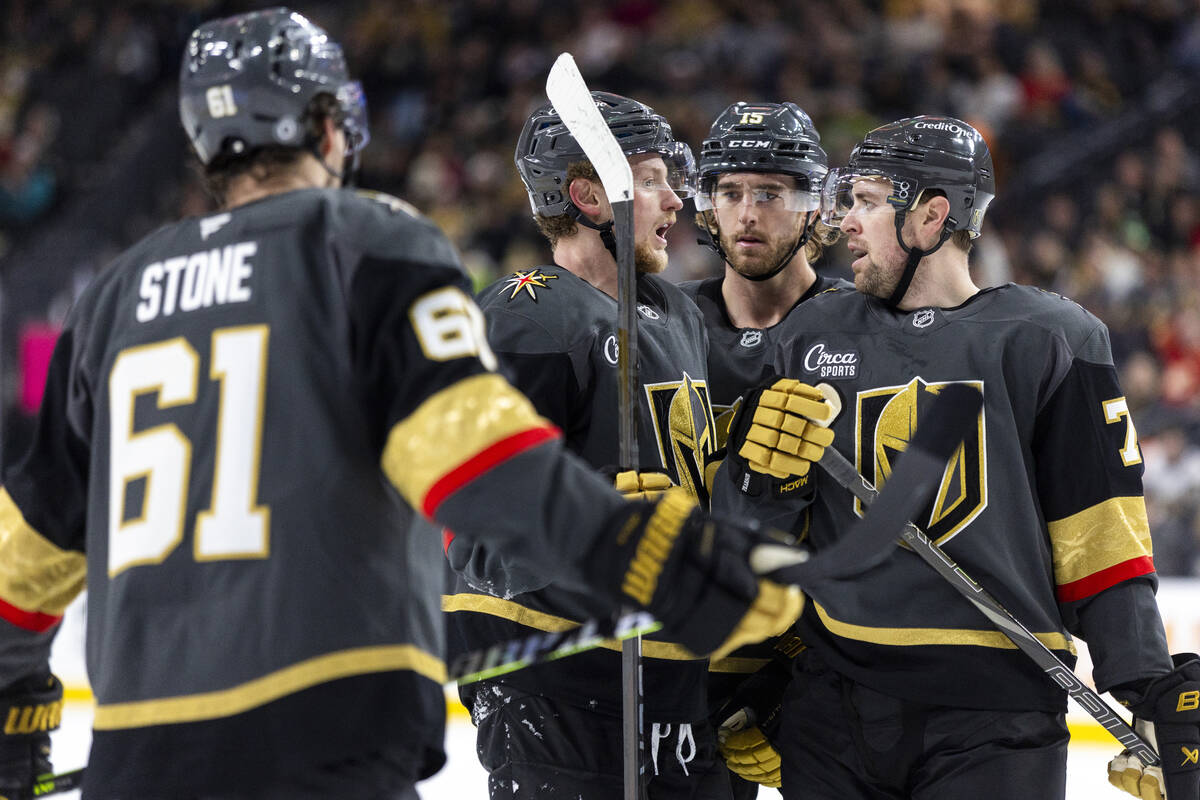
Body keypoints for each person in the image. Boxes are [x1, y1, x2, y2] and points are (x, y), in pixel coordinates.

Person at [0, 10, 805, 799]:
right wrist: (641, 550)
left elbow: (25, 549)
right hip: (329, 726)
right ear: (328, 129)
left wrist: (16, 709)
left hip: (139, 743)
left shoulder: (115, 294)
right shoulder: (369, 244)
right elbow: (476, 463)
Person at [721, 116, 1200, 799]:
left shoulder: (1050, 339)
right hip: (832, 709)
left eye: (867, 201)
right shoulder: (809, 335)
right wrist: (756, 484)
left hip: (995, 721)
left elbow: (1102, 534)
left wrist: (1146, 684)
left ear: (930, 215)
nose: (846, 222)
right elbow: (763, 532)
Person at [443, 91, 751, 799]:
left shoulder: (677, 312)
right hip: (560, 684)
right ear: (588, 195)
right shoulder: (530, 312)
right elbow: (479, 537)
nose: (676, 201)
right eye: (650, 181)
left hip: (675, 682)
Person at [678, 101, 848, 798]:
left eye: (771, 193)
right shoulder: (661, 325)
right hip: (684, 658)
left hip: (830, 666)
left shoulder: (863, 330)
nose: (747, 212)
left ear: (813, 208)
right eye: (730, 192)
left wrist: (800, 670)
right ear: (707, 207)